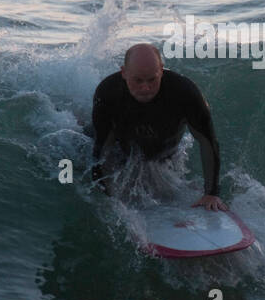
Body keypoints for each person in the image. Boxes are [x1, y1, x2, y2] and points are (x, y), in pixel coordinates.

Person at [91, 43, 225, 210]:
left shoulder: (185, 92)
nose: (145, 88)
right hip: (123, 153)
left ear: (161, 70)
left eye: (152, 79)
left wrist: (211, 193)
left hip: (165, 155)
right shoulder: (108, 93)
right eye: (138, 80)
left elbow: (207, 141)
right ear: (124, 72)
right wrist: (111, 201)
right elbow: (103, 150)